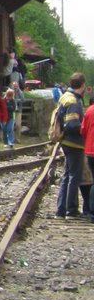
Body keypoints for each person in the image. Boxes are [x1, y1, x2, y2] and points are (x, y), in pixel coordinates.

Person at [54, 73, 87, 219]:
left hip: (66, 142)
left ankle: (61, 210)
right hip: (74, 143)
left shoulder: (65, 96)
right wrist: (85, 129)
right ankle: (71, 210)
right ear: (83, 85)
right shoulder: (73, 101)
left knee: (67, 176)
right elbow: (72, 124)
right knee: (74, 176)